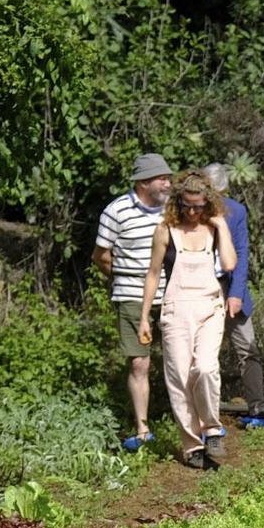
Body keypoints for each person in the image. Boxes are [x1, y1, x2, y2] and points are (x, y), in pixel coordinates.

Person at [139, 173, 237, 468]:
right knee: (179, 377)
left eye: (199, 206)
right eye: (187, 206)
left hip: (208, 306)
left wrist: (220, 224)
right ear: (178, 203)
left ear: (208, 203)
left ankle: (212, 429)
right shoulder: (165, 230)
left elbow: (230, 264)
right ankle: (192, 444)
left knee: (206, 368)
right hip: (176, 309)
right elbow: (153, 274)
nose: (193, 212)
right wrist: (145, 316)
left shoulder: (213, 228)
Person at [92, 152, 172, 450]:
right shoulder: (116, 211)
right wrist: (124, 277)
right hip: (131, 296)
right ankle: (142, 428)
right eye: (162, 178)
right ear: (143, 182)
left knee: (181, 360)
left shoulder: (173, 211)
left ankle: (188, 421)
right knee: (139, 362)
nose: (168, 183)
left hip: (173, 294)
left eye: (168, 178)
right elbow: (101, 256)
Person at [201, 162, 264, 420]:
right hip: (201, 286)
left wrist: (236, 293)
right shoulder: (191, 212)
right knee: (205, 352)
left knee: (247, 348)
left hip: (229, 284)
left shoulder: (236, 211)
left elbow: (241, 253)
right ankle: (206, 411)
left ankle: (257, 407)